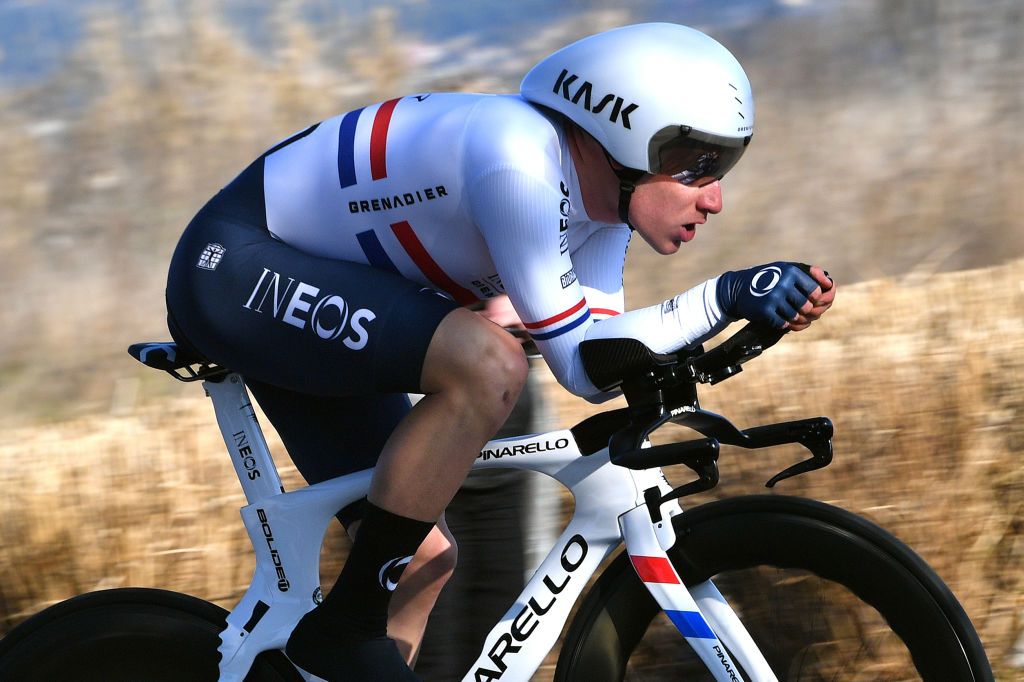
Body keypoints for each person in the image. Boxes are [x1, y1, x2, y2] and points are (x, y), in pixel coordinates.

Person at [164, 22, 835, 681]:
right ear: (625, 138)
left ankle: (344, 650)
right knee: (486, 364)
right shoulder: (518, 160)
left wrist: (739, 324)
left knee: (422, 560)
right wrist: (722, 297)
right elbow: (579, 361)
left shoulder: (600, 213)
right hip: (231, 269)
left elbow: (594, 363)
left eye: (725, 166)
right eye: (699, 166)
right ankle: (341, 633)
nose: (715, 198)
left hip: (316, 298)